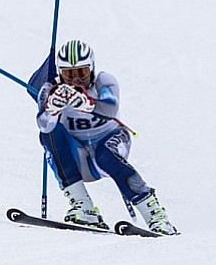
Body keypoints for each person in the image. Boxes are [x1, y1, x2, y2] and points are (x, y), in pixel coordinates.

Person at [35, 39, 178, 235]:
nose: (76, 81)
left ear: (92, 68)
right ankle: (84, 208)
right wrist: (51, 109)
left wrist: (88, 103)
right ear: (60, 73)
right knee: (50, 135)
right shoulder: (50, 90)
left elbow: (110, 108)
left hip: (112, 140)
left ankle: (155, 216)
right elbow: (44, 126)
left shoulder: (104, 80)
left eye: (82, 73)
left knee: (105, 155)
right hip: (79, 156)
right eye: (69, 74)